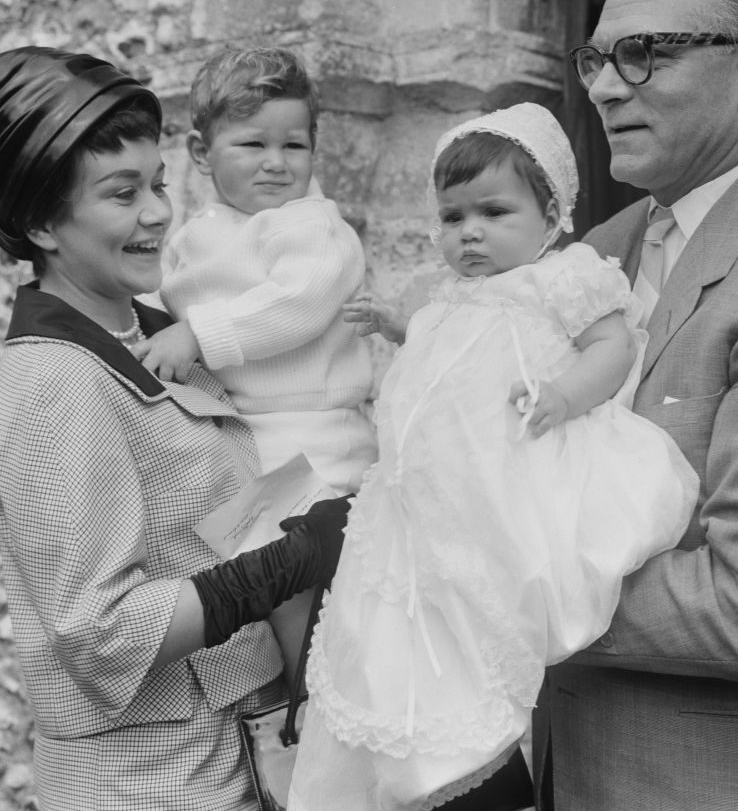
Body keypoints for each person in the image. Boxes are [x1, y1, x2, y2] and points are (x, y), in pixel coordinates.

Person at [286, 103, 698, 811]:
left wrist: (566, 395)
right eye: (453, 218)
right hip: (427, 498)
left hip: (510, 474)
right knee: (401, 623)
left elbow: (613, 345)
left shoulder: (563, 276)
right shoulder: (454, 296)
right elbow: (440, 344)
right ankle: (421, 748)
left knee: (485, 604)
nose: (469, 233)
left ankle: (472, 757)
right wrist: (397, 323)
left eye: (494, 212)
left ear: (550, 212)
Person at [0, 45, 352, 811]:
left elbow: (208, 516)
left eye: (158, 184)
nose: (158, 213)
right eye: (122, 194)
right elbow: (96, 631)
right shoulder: (48, 378)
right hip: (153, 783)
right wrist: (292, 561)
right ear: (39, 223)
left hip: (239, 756)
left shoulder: (167, 334)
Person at [533, 0, 738, 810]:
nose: (608, 86)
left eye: (645, 53)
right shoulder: (592, 255)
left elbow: (733, 601)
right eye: (597, 59)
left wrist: (505, 589)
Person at [132, 44, 377, 687]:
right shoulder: (198, 235)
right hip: (248, 439)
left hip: (313, 433)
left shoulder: (309, 227)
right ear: (200, 152)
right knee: (258, 588)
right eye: (252, 145)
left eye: (294, 146)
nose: (276, 163)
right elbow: (168, 305)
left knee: (304, 589)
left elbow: (299, 303)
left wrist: (199, 336)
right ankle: (301, 706)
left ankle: (322, 707)